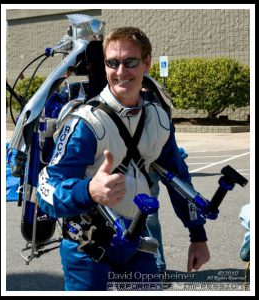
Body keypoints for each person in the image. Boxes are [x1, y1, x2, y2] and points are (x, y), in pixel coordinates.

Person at [37, 26, 210, 291]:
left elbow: (178, 178)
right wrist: (88, 190)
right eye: (112, 63)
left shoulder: (159, 119)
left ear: (147, 63)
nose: (120, 72)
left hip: (137, 244)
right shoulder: (86, 123)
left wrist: (198, 235)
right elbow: (47, 190)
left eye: (130, 62)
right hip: (88, 249)